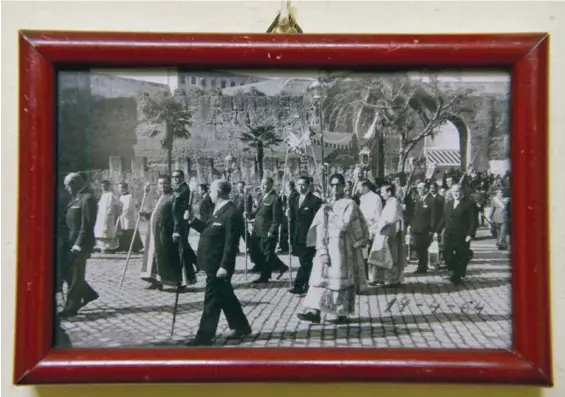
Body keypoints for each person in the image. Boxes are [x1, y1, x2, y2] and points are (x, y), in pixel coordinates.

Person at [185, 180, 252, 346]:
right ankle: (241, 326)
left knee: (212, 301)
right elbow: (209, 230)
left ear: (219, 192)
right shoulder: (219, 210)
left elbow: (231, 244)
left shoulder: (231, 213)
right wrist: (192, 220)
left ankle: (204, 337)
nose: (209, 194)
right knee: (226, 296)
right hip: (211, 262)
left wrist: (224, 266)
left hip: (218, 265)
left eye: (212, 191)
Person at [296, 173, 369, 324]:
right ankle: (314, 311)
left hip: (342, 248)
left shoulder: (350, 204)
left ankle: (341, 313)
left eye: (338, 185)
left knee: (338, 282)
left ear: (343, 186)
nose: (335, 188)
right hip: (326, 246)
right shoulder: (326, 204)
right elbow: (320, 227)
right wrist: (321, 248)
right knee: (319, 280)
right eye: (333, 185)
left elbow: (344, 225)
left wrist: (331, 212)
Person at [59, 173, 99, 318]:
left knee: (76, 275)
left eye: (68, 185)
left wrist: (78, 244)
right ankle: (88, 294)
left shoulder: (87, 199)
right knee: (67, 272)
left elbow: (87, 225)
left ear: (75, 183)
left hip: (80, 244)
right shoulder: (76, 198)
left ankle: (71, 306)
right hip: (71, 242)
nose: (66, 188)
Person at [140, 176, 184, 289]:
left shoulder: (173, 197)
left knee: (167, 257)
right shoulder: (160, 197)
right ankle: (155, 280)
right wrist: (146, 214)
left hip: (166, 232)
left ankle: (173, 281)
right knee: (154, 256)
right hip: (154, 232)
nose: (162, 186)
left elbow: (176, 217)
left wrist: (176, 231)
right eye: (160, 184)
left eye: (165, 183)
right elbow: (157, 214)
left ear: (170, 184)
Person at [247, 177, 289, 284]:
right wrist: (249, 214)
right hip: (258, 230)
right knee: (261, 253)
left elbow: (277, 218)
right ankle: (281, 266)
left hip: (267, 231)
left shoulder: (275, 199)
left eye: (265, 184)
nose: (262, 186)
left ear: (271, 185)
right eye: (262, 184)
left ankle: (265, 277)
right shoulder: (263, 197)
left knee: (267, 254)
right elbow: (258, 212)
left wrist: (272, 230)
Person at [434, 184, 476, 285]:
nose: (456, 194)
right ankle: (455, 270)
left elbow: (473, 221)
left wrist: (470, 234)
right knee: (446, 253)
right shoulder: (449, 203)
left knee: (460, 255)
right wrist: (437, 231)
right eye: (454, 192)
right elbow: (444, 219)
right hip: (450, 234)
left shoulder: (469, 204)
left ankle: (456, 276)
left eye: (458, 191)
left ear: (462, 192)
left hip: (462, 234)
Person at [287, 176, 322, 295]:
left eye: (303, 185)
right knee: (305, 262)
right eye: (298, 185)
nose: (301, 187)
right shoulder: (294, 200)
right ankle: (309, 284)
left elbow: (318, 220)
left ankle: (299, 285)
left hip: (309, 236)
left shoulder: (315, 201)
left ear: (308, 186)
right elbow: (292, 219)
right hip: (297, 236)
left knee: (305, 262)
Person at [368, 183, 405, 287]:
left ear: (389, 192)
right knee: (379, 256)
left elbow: (392, 219)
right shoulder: (389, 202)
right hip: (383, 233)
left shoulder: (393, 202)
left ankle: (392, 280)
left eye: (383, 192)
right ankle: (379, 278)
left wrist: (380, 225)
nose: (381, 194)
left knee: (390, 257)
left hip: (389, 234)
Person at [171, 170, 198, 285]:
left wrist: (177, 227)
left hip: (181, 222)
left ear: (182, 177)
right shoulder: (176, 189)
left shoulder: (184, 189)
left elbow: (178, 209)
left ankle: (188, 271)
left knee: (182, 246)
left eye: (177, 177)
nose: (175, 179)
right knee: (184, 245)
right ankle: (197, 262)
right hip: (176, 222)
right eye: (173, 177)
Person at [407, 181, 436, 274]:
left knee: (422, 248)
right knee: (416, 247)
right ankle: (421, 265)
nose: (418, 190)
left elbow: (433, 216)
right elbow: (414, 213)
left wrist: (432, 229)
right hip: (416, 227)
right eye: (417, 188)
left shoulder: (432, 200)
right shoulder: (418, 198)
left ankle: (422, 267)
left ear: (426, 189)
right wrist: (410, 225)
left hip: (425, 228)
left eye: (420, 188)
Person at [116, 182, 143, 253]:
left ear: (125, 188)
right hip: (122, 217)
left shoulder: (129, 196)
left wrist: (121, 213)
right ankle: (125, 247)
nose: (120, 189)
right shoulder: (121, 196)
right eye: (119, 187)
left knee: (130, 232)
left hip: (128, 217)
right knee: (123, 232)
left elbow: (127, 208)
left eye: (121, 187)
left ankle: (135, 247)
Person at [94, 180, 120, 252]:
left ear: (108, 186)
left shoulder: (110, 195)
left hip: (108, 216)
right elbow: (99, 205)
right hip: (101, 216)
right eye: (102, 186)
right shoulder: (103, 194)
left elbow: (111, 206)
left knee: (107, 231)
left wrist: (109, 214)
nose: (103, 187)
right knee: (101, 231)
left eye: (105, 186)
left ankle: (109, 247)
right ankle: (101, 246)